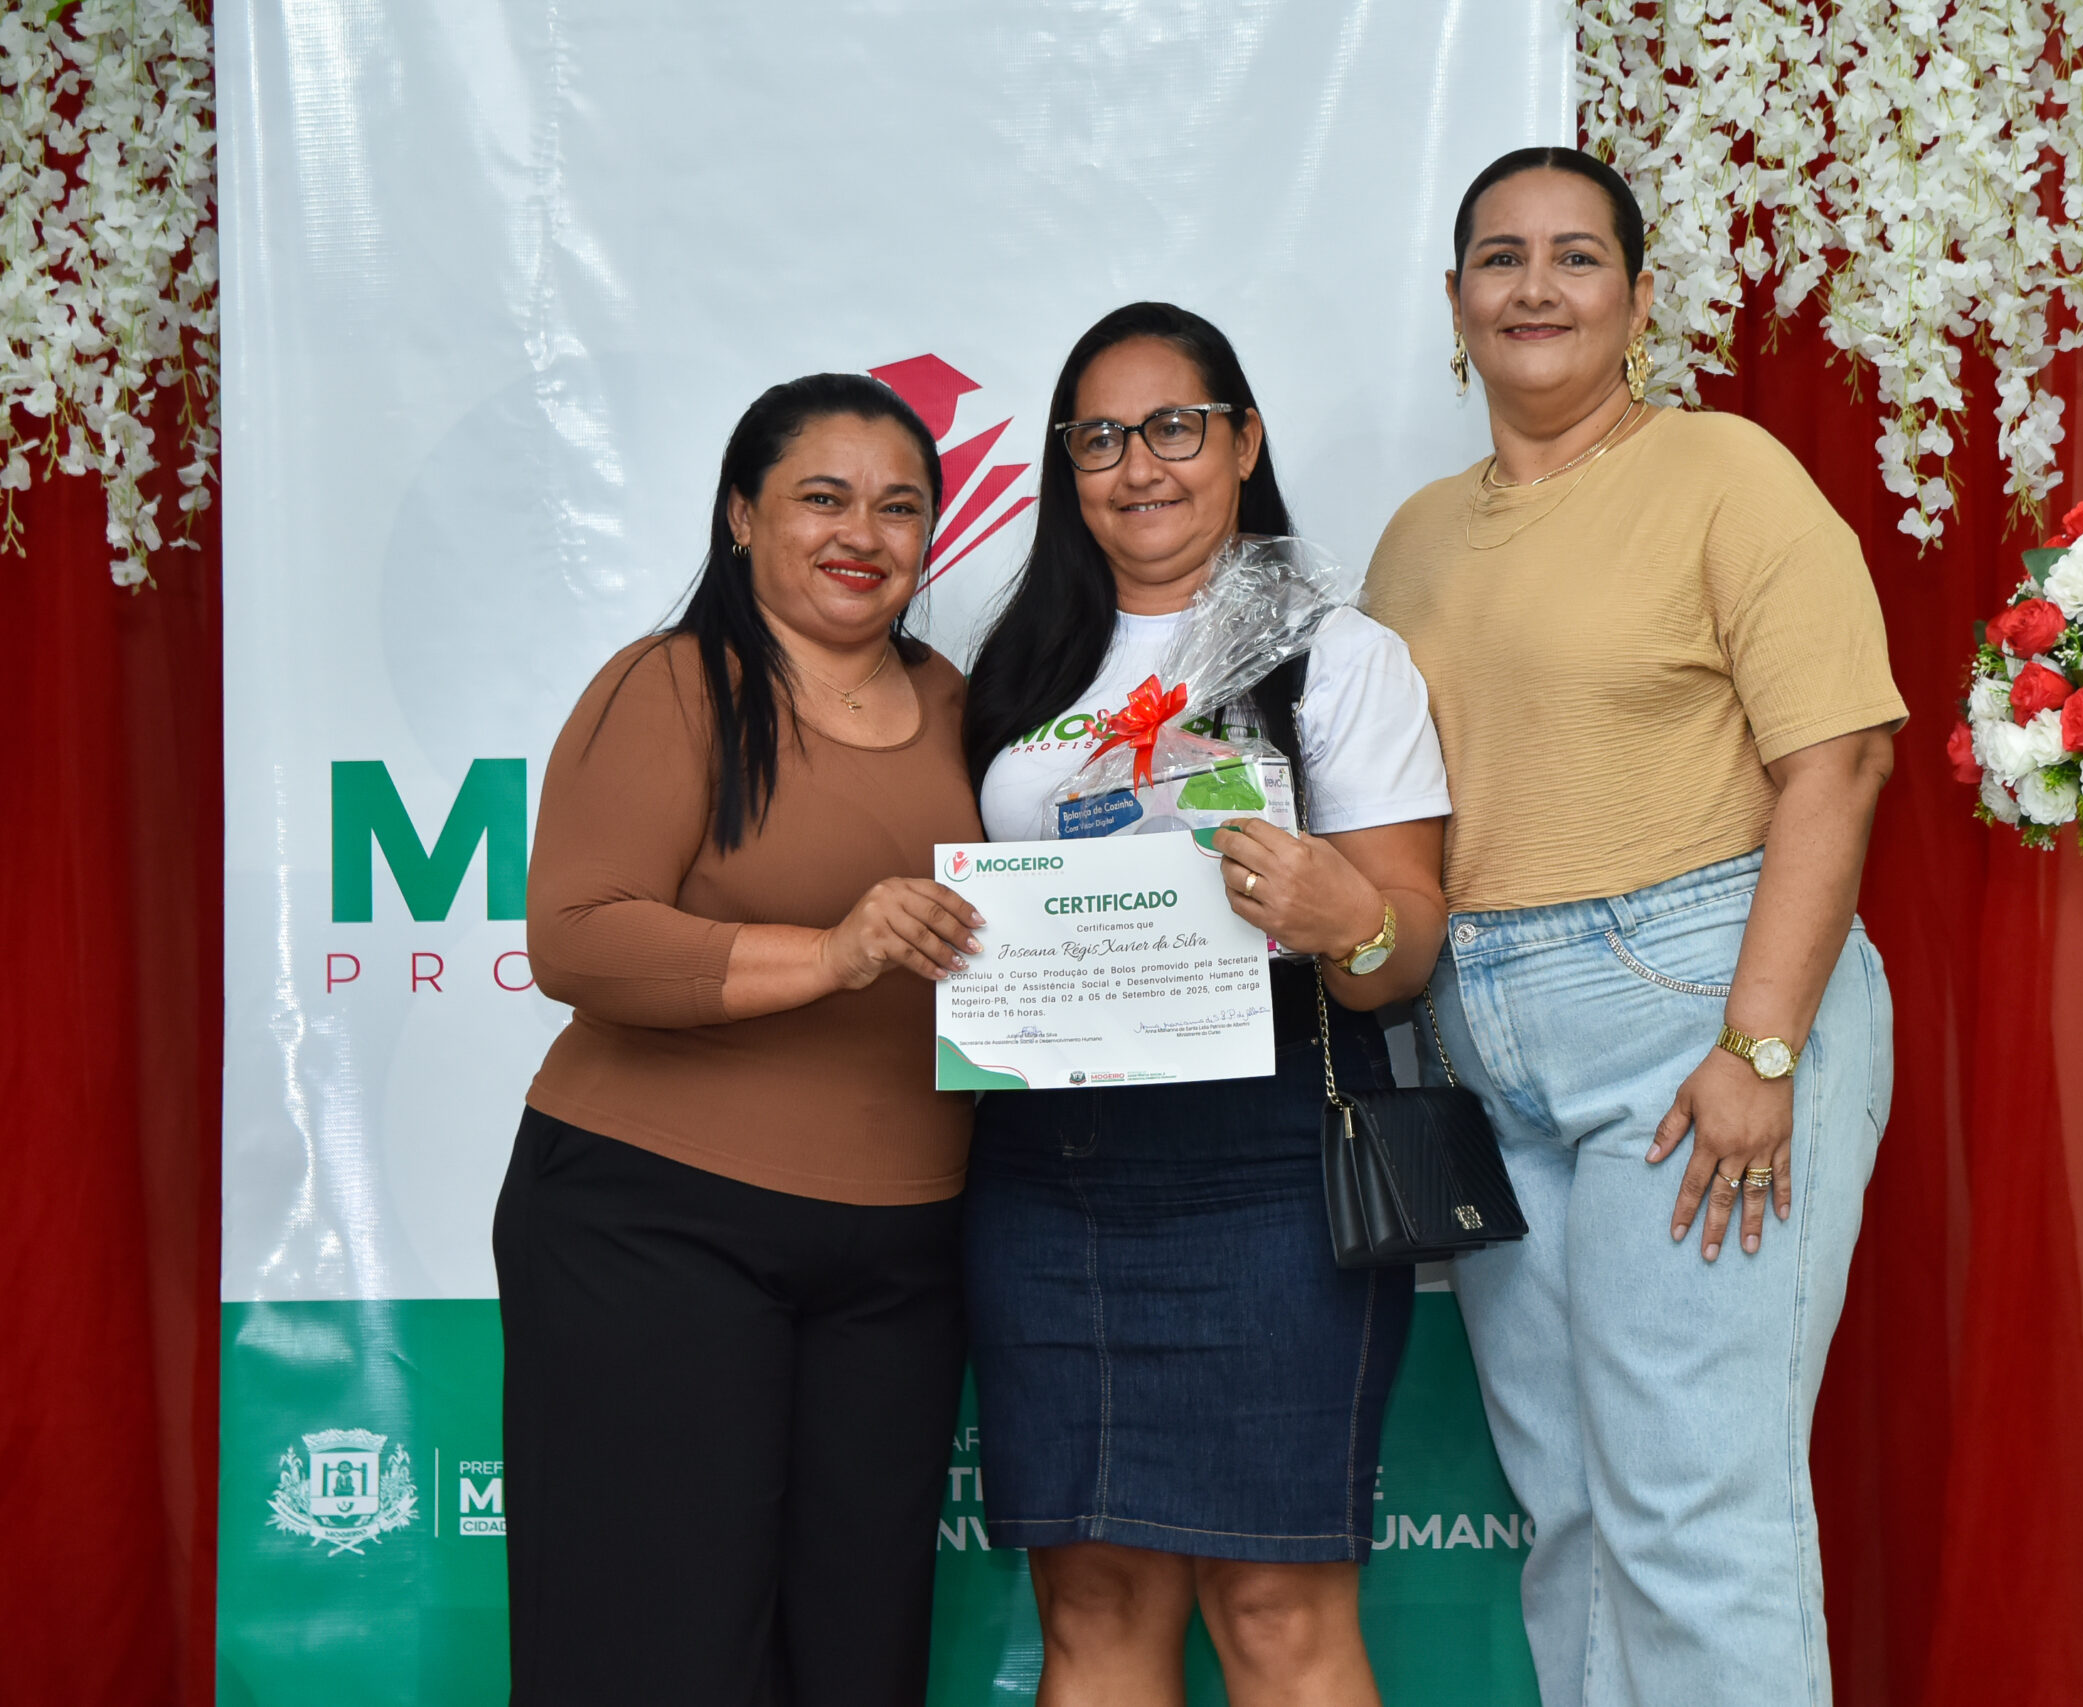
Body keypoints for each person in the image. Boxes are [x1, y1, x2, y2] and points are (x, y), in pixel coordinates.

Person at [1362, 148, 1907, 1707]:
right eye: (1501, 258)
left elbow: (1839, 765)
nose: (1535, 287)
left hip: (1694, 1008)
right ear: (1455, 301)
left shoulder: (1726, 472)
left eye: (1576, 256)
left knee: (1692, 1514)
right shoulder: (1415, 539)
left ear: (1641, 298)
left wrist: (1762, 1046)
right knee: (1578, 1520)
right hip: (1488, 1050)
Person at [961, 301, 1452, 1707]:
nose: (1140, 466)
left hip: (1269, 1164)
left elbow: (1404, 949)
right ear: (1068, 467)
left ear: (1243, 442)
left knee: (1276, 1610)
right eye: (1101, 438)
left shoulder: (1336, 655)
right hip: (1045, 1170)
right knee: (1094, 1602)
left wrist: (1340, 914)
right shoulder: (1019, 664)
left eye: (1175, 427)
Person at [495, 373, 986, 1707]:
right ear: (740, 517)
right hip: (657, 1226)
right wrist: (830, 954)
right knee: (655, 1656)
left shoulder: (965, 705)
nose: (862, 534)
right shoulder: (668, 684)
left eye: (900, 507)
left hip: (905, 1256)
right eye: (822, 498)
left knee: (857, 1662)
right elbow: (577, 937)